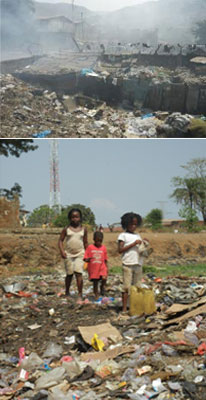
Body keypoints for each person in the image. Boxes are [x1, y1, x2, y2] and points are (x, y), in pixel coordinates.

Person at [118, 212, 149, 313]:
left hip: (138, 264)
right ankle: (124, 308)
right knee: (126, 287)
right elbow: (120, 250)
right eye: (131, 224)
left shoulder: (138, 235)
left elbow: (140, 248)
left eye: (135, 224)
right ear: (126, 224)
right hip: (127, 264)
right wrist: (133, 244)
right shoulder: (123, 236)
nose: (133, 226)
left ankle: (135, 308)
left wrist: (144, 243)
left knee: (137, 287)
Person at [58, 208, 88, 300]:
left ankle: (80, 294)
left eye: (77, 217)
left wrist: (87, 254)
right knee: (69, 274)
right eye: (73, 217)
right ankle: (67, 292)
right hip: (69, 254)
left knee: (78, 273)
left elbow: (85, 242)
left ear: (80, 218)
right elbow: (60, 241)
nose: (75, 219)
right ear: (70, 218)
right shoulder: (66, 229)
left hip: (80, 253)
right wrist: (62, 251)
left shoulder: (83, 229)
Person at [84, 231, 108, 300]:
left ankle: (102, 287)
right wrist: (87, 259)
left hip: (102, 266)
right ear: (94, 239)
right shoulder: (90, 247)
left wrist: (107, 267)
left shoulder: (103, 248)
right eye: (97, 241)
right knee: (95, 282)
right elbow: (86, 257)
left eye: (100, 241)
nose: (99, 243)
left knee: (104, 278)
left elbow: (105, 259)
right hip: (93, 268)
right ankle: (96, 294)